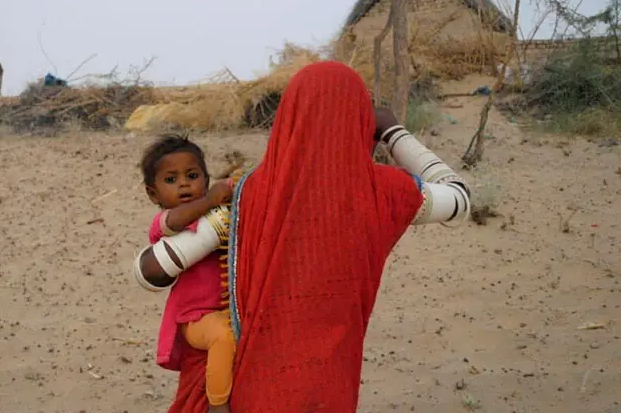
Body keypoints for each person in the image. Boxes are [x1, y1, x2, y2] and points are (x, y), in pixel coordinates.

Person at [132, 61, 472, 412]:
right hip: (331, 391)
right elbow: (460, 199)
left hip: (256, 392)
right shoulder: (385, 192)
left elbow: (150, 271)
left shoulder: (247, 195)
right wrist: (393, 132)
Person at [138, 134, 238, 413]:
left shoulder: (220, 214)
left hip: (228, 307)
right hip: (194, 317)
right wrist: (209, 200)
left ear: (205, 179)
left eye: (192, 175)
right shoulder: (167, 223)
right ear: (153, 194)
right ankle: (218, 405)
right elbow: (178, 219)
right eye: (170, 180)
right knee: (223, 336)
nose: (183, 183)